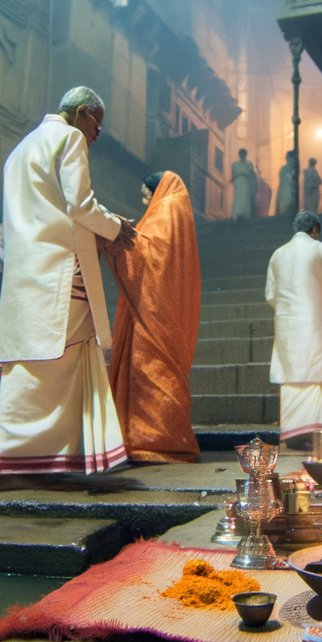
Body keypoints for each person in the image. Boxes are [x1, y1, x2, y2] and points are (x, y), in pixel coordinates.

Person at [0, 87, 136, 491]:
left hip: (23, 272)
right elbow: (81, 205)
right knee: (63, 358)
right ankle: (25, 457)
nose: (98, 133)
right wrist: (116, 227)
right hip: (58, 269)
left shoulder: (19, 148)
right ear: (83, 113)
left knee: (31, 359)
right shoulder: (69, 138)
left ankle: (32, 457)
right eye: (97, 122)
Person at [102, 171, 200, 463]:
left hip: (154, 305)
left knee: (148, 365)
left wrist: (116, 234)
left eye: (147, 194)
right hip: (165, 303)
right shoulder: (178, 208)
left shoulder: (167, 208)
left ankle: (155, 437)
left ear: (157, 191)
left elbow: (150, 251)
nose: (145, 200)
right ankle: (158, 435)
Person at [266, 211, 322, 446]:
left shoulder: (277, 254)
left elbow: (270, 295)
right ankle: (313, 436)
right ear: (314, 229)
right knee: (315, 375)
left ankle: (294, 436)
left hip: (287, 327)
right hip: (314, 324)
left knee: (292, 377)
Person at [230, 148, 257, 220]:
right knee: (238, 198)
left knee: (245, 198)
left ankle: (244, 214)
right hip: (238, 183)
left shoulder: (249, 164)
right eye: (241, 154)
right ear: (239, 155)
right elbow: (233, 176)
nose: (242, 155)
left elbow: (253, 175)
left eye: (243, 154)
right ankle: (237, 214)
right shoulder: (235, 164)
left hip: (246, 183)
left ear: (246, 155)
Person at [276, 149, 297, 220]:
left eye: (287, 157)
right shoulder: (285, 169)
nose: (286, 159)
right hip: (285, 192)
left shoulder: (291, 169)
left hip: (288, 193)